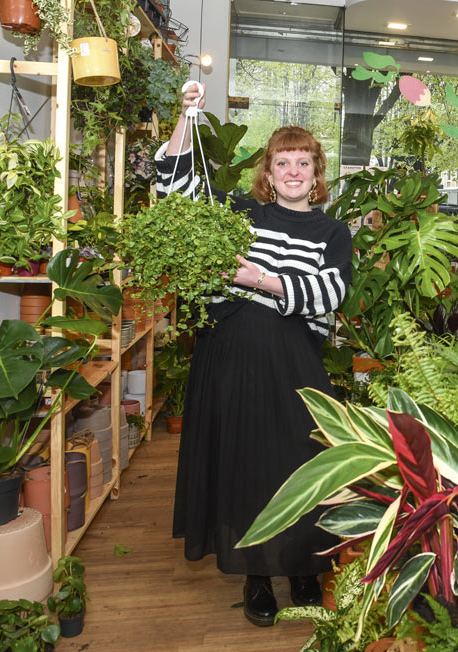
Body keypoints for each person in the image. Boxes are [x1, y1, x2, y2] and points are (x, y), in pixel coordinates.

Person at [156, 84, 353, 627]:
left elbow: (330, 292)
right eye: (283, 162)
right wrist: (187, 116)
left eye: (304, 162)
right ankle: (258, 577)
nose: (293, 171)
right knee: (245, 466)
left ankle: (307, 571)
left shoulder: (332, 231)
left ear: (317, 173)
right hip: (231, 353)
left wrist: (259, 278)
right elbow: (174, 187)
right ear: (268, 171)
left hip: (293, 357)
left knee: (301, 464)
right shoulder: (241, 212)